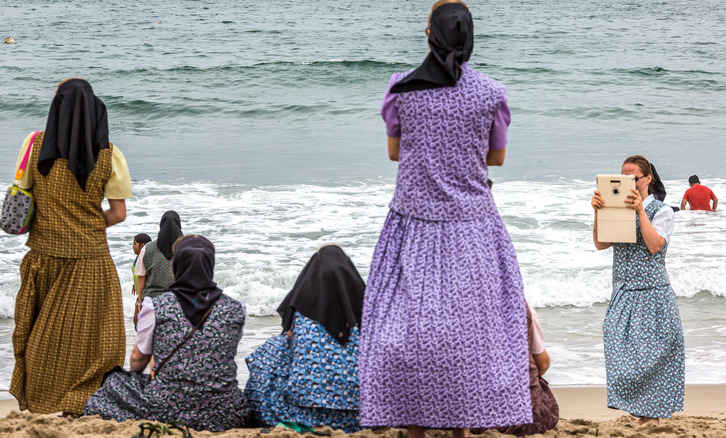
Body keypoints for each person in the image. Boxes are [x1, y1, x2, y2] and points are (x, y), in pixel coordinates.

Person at [359, 2, 533, 437]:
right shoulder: (492, 91)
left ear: (429, 35)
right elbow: (497, 158)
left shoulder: (402, 87)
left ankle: (413, 427)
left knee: (407, 329)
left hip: (412, 220)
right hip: (472, 223)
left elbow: (395, 152)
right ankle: (462, 428)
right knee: (472, 331)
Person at [10, 78, 131, 415]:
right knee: (92, 340)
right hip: (92, 259)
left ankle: (40, 399)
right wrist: (85, 225)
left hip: (44, 257)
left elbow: (22, 196)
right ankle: (85, 400)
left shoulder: (34, 145)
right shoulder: (109, 154)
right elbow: (118, 214)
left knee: (41, 336)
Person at [84, 235, 249, 431]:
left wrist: (137, 380)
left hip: (168, 406)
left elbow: (138, 360)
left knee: (113, 382)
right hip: (225, 411)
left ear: (176, 265)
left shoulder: (156, 306)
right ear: (210, 265)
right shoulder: (235, 308)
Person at [590, 155, 685, 426]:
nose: (629, 182)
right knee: (619, 351)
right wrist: (598, 211)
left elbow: (655, 245)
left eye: (634, 177)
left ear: (648, 179)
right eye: (624, 177)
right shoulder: (616, 209)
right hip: (623, 291)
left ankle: (650, 417)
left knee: (652, 357)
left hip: (653, 293)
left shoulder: (661, 210)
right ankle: (643, 413)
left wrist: (640, 211)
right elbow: (601, 243)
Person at [244, 245, 364, 432]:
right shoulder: (369, 315)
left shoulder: (302, 315)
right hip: (360, 415)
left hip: (305, 415)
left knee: (272, 349)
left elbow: (288, 340)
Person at [471, 299, 559, 437]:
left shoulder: (454, 301)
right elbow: (543, 363)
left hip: (465, 415)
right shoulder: (520, 302)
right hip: (521, 419)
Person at [134, 210, 182, 323]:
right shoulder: (187, 247)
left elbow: (141, 277)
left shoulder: (147, 248)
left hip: (152, 301)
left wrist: (140, 301)